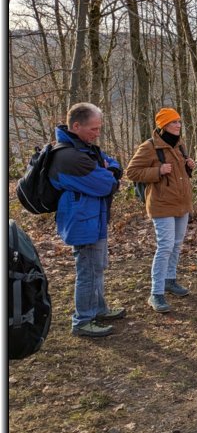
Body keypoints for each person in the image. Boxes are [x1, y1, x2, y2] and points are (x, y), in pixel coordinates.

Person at [48, 102, 124, 337]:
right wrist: (108, 173)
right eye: (94, 129)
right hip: (83, 221)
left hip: (94, 218)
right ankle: (83, 320)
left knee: (97, 267)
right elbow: (107, 184)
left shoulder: (85, 149)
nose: (97, 133)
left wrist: (109, 169)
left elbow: (114, 164)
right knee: (88, 271)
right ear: (76, 126)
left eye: (99, 128)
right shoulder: (68, 157)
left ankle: (98, 309)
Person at [126, 108, 197, 314]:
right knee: (165, 246)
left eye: (179, 122)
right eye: (174, 122)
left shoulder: (179, 144)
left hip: (182, 203)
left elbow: (180, 174)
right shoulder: (149, 146)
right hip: (161, 204)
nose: (178, 125)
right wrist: (158, 170)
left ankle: (170, 280)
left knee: (176, 244)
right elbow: (131, 172)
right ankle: (156, 293)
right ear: (163, 125)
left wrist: (189, 166)